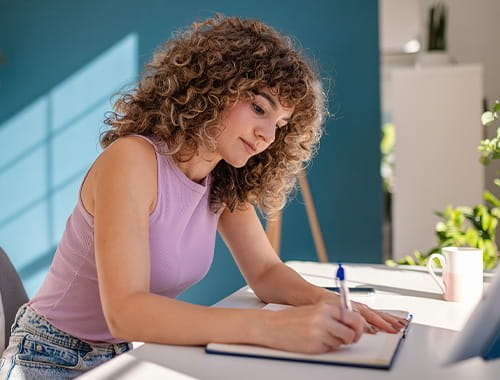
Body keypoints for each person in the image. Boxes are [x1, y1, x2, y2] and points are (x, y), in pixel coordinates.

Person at [0, 15, 408, 379]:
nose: (268, 135)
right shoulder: (132, 160)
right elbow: (125, 312)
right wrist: (271, 329)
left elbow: (265, 273)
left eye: (281, 124)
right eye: (258, 108)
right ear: (211, 89)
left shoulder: (223, 179)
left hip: (126, 356)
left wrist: (336, 306)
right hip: (48, 359)